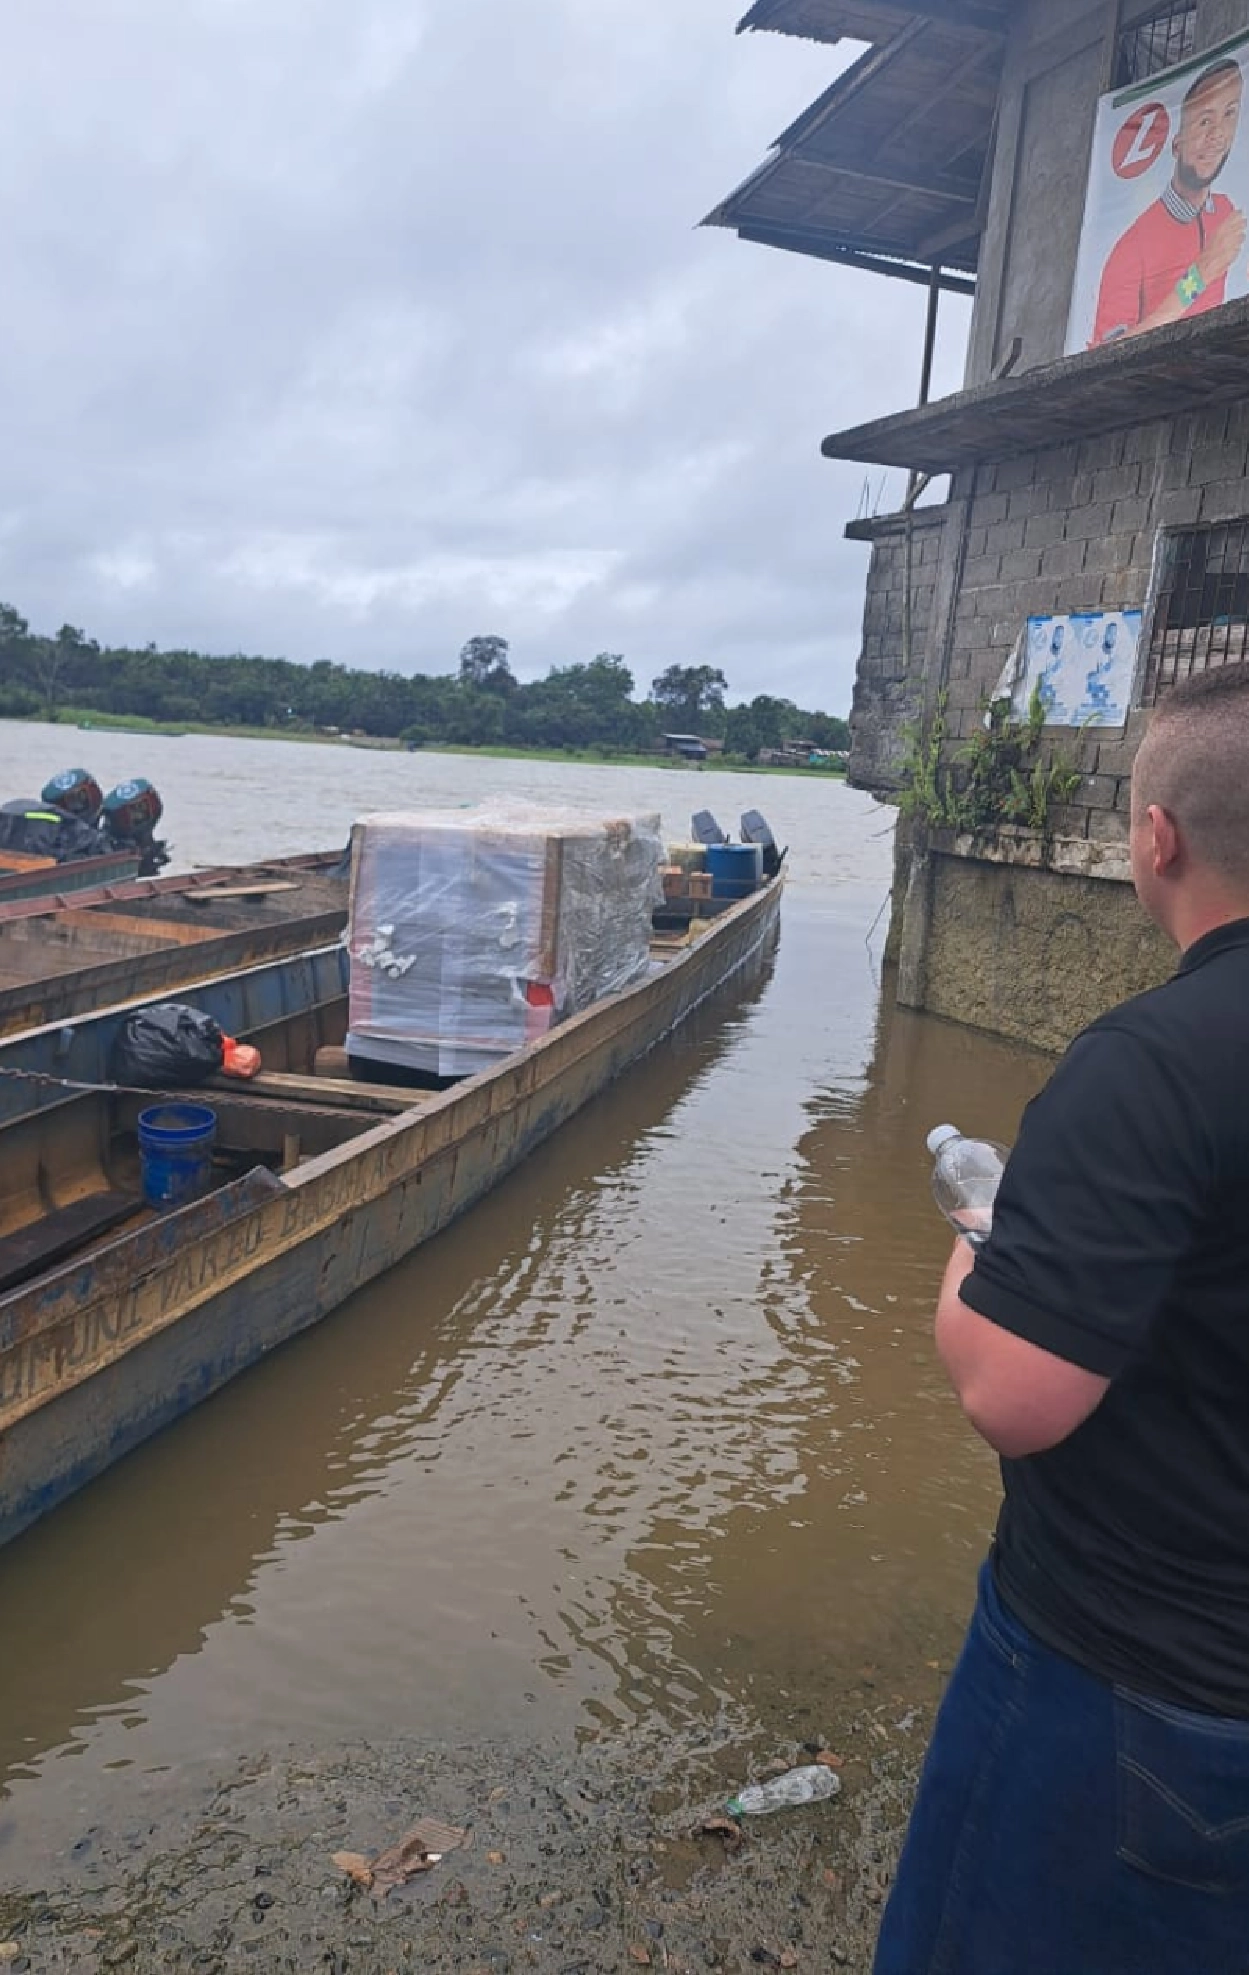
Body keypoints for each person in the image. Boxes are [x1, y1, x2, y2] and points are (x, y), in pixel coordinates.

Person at [873, 662, 1249, 1975]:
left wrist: (983, 1236)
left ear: (1156, 837)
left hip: (1147, 1687)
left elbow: (1014, 1393)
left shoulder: (1155, 1060)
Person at [1092, 57, 1247, 346]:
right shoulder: (1130, 250)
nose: (1217, 136)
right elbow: (1107, 355)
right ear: (1176, 144)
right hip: (1158, 388)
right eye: (1204, 121)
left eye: (1230, 114)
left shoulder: (1225, 211)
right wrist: (1199, 274)